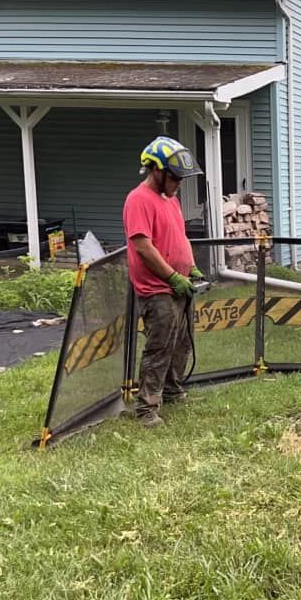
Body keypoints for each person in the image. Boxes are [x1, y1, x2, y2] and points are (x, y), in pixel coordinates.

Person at [123, 136, 204, 427]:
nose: (178, 183)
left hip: (178, 285)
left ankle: (172, 390)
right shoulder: (138, 200)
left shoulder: (171, 199)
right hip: (157, 289)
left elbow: (180, 236)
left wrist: (191, 267)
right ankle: (147, 409)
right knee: (159, 348)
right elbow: (143, 246)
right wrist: (171, 276)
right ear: (156, 170)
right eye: (174, 177)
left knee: (181, 343)